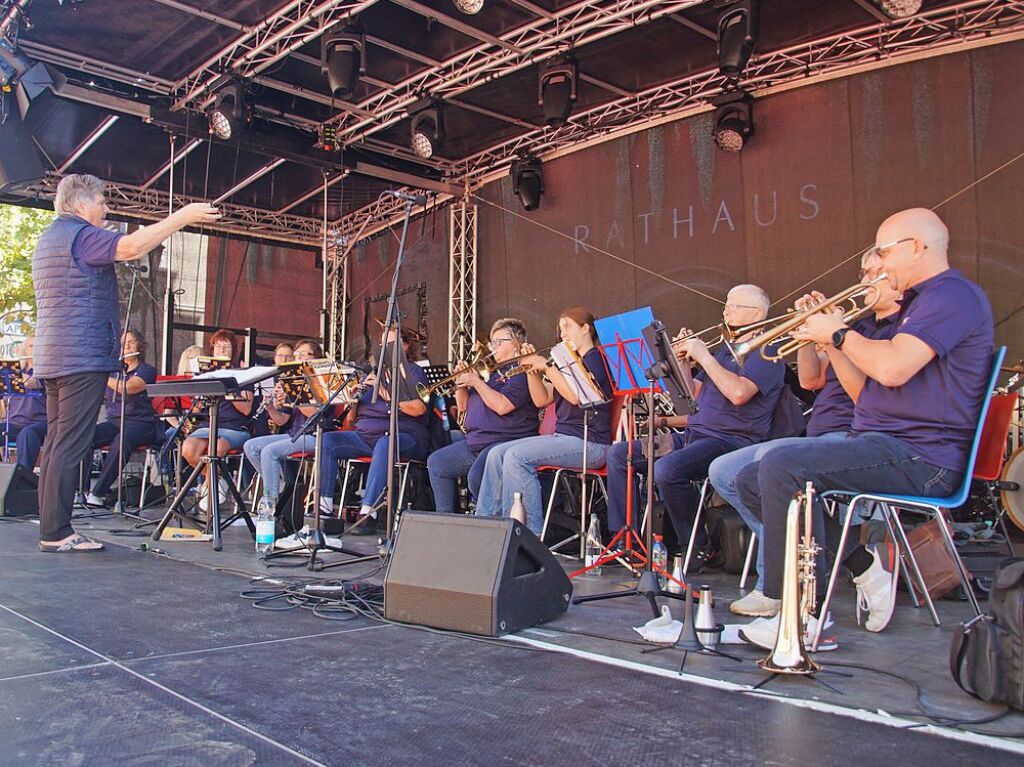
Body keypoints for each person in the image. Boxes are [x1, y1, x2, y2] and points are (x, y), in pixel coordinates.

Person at [734, 208, 994, 651]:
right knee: (749, 478)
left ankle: (800, 615)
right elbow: (865, 393)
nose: (880, 263)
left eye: (884, 252)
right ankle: (864, 565)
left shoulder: (951, 296)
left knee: (781, 464)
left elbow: (892, 369)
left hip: (924, 456)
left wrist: (838, 334)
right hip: (883, 442)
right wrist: (829, 343)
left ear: (916, 246)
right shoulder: (914, 305)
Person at [32, 173, 218, 553]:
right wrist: (183, 216)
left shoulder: (49, 239)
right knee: (70, 443)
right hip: (80, 355)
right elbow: (132, 247)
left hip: (53, 354)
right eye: (101, 202)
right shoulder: (81, 234)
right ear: (81, 206)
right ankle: (56, 532)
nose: (105, 208)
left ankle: (51, 526)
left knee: (55, 441)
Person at [708, 254, 900, 618]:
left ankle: (783, 590)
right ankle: (840, 558)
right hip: (817, 434)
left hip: (852, 435)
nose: (867, 278)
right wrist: (811, 335)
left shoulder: (880, 335)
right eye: (864, 272)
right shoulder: (860, 327)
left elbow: (863, 393)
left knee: (773, 469)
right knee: (724, 471)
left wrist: (839, 336)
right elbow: (811, 380)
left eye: (878, 270)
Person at [603, 285, 785, 566]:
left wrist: (704, 356)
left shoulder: (768, 353)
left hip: (729, 440)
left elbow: (739, 394)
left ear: (757, 313)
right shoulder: (725, 352)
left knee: (668, 469)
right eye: (726, 304)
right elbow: (688, 399)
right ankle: (625, 541)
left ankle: (696, 545)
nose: (726, 310)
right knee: (620, 454)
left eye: (734, 305)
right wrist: (683, 364)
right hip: (693, 434)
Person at [475, 307, 613, 535]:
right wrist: (531, 370)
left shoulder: (595, 359)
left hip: (590, 442)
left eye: (567, 326)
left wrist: (547, 366)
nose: (562, 334)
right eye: (560, 329)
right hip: (564, 438)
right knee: (496, 453)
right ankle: (488, 526)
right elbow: (541, 400)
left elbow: (577, 397)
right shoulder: (568, 362)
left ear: (586, 328)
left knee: (516, 457)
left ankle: (527, 534)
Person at [317, 326, 430, 536]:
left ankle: (368, 513)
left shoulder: (413, 371)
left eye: (391, 344)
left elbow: (419, 408)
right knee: (327, 441)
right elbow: (351, 423)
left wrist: (387, 395)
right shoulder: (372, 374)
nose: (385, 348)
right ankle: (324, 507)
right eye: (383, 344)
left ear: (405, 347)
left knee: (385, 443)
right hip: (366, 437)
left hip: (405, 436)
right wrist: (353, 402)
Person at [427, 318, 540, 513]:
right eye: (492, 342)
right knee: (437, 463)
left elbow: (503, 406)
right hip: (478, 442)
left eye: (498, 342)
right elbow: (462, 407)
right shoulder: (493, 374)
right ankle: (445, 521)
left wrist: (477, 382)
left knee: (476, 476)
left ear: (516, 344)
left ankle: (492, 520)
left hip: (505, 441)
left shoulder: (521, 372)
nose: (492, 347)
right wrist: (460, 384)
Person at [86, 330, 164, 505]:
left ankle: (98, 493)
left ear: (139, 346)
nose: (126, 346)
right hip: (114, 421)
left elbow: (128, 388)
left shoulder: (146, 370)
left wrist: (102, 375)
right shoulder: (113, 371)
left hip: (142, 423)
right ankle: (82, 490)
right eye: (123, 343)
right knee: (85, 437)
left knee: (122, 441)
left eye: (131, 342)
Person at [180, 329, 254, 511]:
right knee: (188, 448)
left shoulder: (243, 374)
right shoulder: (206, 374)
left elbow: (246, 409)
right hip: (210, 423)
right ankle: (215, 480)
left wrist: (230, 387)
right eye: (217, 346)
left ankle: (210, 488)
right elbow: (196, 410)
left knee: (217, 447)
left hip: (235, 427)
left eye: (226, 346)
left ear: (233, 351)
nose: (221, 350)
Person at [243, 339, 322, 506]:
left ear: (316, 357)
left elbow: (314, 414)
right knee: (250, 446)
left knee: (269, 452)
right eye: (297, 354)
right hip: (294, 433)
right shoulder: (293, 380)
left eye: (303, 354)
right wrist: (271, 407)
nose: (298, 357)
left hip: (314, 434)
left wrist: (292, 396)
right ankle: (279, 484)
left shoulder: (319, 381)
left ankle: (270, 503)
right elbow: (283, 419)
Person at [1, 337, 47, 471]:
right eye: (30, 346)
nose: (33, 349)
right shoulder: (13, 374)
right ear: (23, 349)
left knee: (27, 434)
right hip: (14, 423)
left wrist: (11, 373)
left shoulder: (45, 372)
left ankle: (20, 478)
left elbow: (29, 383)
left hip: (40, 423)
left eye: (36, 346)